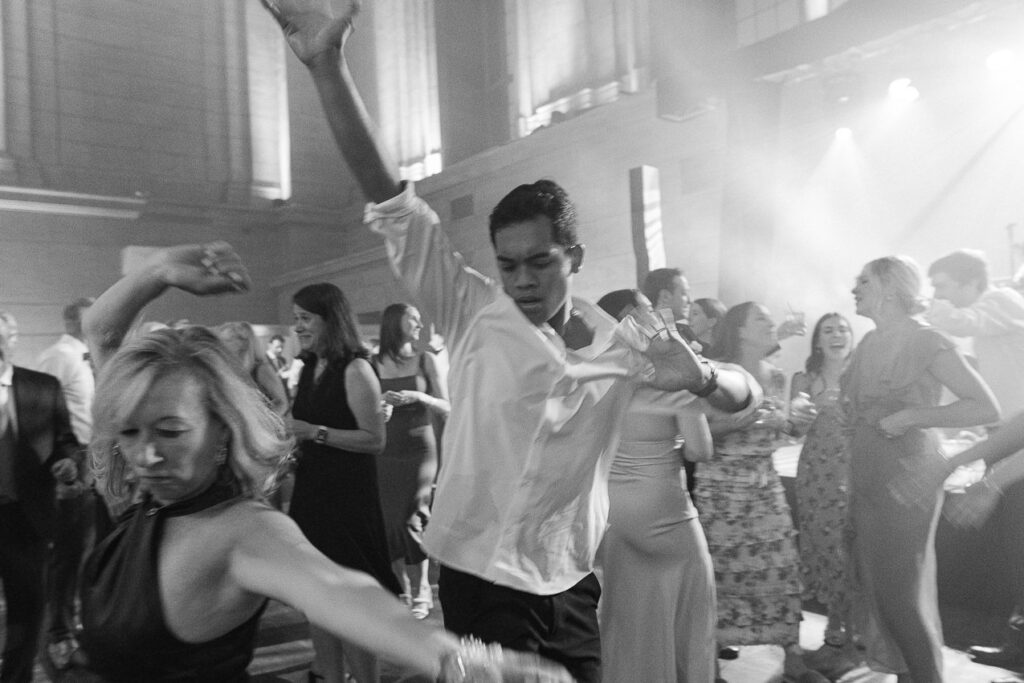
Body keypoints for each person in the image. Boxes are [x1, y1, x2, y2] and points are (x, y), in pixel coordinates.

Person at [262, 2, 757, 679]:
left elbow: (742, 396)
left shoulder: (625, 348)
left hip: (570, 578)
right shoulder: (471, 308)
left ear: (573, 257)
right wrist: (327, 68)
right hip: (478, 572)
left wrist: (700, 374)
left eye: (540, 262)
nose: (522, 279)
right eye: (509, 263)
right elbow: (391, 196)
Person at [76, 241, 572, 683]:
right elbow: (101, 332)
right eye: (129, 432)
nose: (146, 454)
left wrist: (457, 660)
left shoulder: (243, 530)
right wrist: (159, 269)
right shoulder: (140, 496)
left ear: (223, 429)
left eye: (170, 432)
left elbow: (338, 589)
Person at [843, 255, 999, 682]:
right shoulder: (869, 343)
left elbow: (985, 407)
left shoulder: (926, 340)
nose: (853, 288)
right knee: (879, 593)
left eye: (863, 280)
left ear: (892, 288)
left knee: (901, 599)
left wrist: (913, 416)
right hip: (867, 479)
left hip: (906, 480)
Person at [595, 289, 739, 683]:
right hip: (668, 519)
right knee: (685, 623)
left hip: (614, 519)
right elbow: (700, 450)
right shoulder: (674, 381)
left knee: (627, 625)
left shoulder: (592, 381)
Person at [692, 301, 824, 683]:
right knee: (719, 575)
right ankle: (709, 665)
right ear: (741, 330)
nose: (771, 325)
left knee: (780, 567)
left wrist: (796, 424)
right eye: (761, 319)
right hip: (721, 487)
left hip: (764, 484)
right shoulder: (715, 373)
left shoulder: (776, 376)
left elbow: (776, 430)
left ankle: (792, 658)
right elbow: (696, 431)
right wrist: (744, 419)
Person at [287, 282, 401, 683]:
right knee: (318, 598)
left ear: (330, 321)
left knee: (353, 604)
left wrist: (312, 432)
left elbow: (374, 440)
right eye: (296, 318)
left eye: (305, 319)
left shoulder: (355, 368)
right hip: (313, 495)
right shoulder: (308, 368)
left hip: (347, 503)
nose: (297, 327)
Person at [925, 248, 1024, 670]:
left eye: (943, 286)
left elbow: (956, 320)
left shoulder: (1000, 302)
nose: (938, 295)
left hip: (1017, 439)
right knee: (1017, 548)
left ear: (971, 283)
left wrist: (926, 306)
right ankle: (1018, 643)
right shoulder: (996, 320)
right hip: (1008, 435)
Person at [0, 311, 81, 683]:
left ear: (14, 340)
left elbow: (66, 440)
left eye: (6, 335)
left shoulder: (43, 387)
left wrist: (67, 461)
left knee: (27, 610)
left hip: (24, 517)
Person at [790, 313, 858, 678]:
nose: (836, 335)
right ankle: (836, 636)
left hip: (857, 470)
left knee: (854, 551)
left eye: (843, 329)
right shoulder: (805, 379)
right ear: (818, 341)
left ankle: (855, 638)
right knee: (826, 550)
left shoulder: (862, 375)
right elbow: (794, 430)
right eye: (828, 330)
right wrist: (802, 415)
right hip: (817, 474)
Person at [35, 297, 100, 671]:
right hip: (73, 460)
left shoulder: (85, 358)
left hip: (93, 457)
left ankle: (74, 621)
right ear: (78, 321)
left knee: (86, 549)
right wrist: (59, 466)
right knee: (68, 552)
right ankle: (58, 631)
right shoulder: (60, 356)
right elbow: (41, 415)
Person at [376, 303, 450, 620]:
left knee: (412, 516)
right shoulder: (371, 363)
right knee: (390, 522)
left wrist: (419, 397)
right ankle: (402, 589)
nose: (420, 323)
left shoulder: (425, 360)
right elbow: (364, 408)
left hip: (421, 448)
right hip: (385, 449)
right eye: (413, 319)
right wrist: (381, 408)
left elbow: (448, 407)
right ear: (395, 323)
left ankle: (422, 591)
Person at [215, 321, 289, 417]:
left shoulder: (261, 370)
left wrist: (264, 423)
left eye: (227, 341)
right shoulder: (229, 370)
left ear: (243, 345)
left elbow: (282, 403)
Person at [265, 333, 293, 399]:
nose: (280, 350)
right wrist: (278, 374)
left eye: (282, 347)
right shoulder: (263, 360)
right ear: (269, 345)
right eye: (277, 347)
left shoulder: (283, 360)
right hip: (270, 398)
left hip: (284, 398)